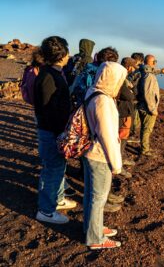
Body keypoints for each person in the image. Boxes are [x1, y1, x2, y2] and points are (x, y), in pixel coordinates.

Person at [82, 59, 127, 249]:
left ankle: (93, 227)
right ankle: (95, 238)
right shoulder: (104, 101)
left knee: (90, 195)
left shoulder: (93, 91)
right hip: (100, 155)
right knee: (98, 197)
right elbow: (107, 136)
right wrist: (116, 164)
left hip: (88, 151)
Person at [34, 36, 77, 224]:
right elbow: (48, 110)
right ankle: (46, 210)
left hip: (54, 130)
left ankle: (57, 200)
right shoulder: (48, 77)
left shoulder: (52, 73)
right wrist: (61, 133)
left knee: (58, 167)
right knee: (52, 169)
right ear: (62, 54)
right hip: (51, 132)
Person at [136, 54, 164, 156]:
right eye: (155, 61)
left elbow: (151, 70)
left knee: (144, 128)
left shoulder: (144, 70)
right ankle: (145, 150)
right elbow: (148, 93)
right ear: (152, 63)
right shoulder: (149, 76)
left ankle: (144, 147)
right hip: (147, 107)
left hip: (141, 104)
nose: (156, 63)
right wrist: (152, 109)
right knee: (147, 129)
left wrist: (160, 71)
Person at [118, 58, 137, 169]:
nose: (133, 70)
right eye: (132, 67)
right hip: (124, 112)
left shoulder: (119, 76)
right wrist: (132, 89)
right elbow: (130, 96)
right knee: (122, 138)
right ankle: (118, 164)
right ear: (129, 67)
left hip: (121, 111)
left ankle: (119, 160)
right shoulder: (122, 78)